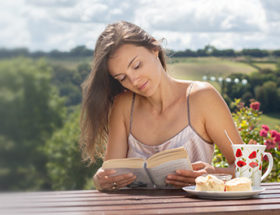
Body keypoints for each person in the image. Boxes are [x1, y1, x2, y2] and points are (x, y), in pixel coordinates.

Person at [80, 21, 244, 191]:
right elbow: (111, 173)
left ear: (154, 48)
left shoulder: (202, 97)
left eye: (137, 65)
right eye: (122, 78)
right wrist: (101, 179)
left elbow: (247, 168)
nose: (134, 81)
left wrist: (213, 175)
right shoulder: (123, 106)